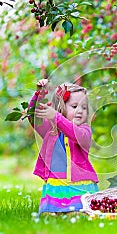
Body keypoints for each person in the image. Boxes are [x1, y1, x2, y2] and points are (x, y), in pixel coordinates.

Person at [28, 79, 99, 214]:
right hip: (56, 184)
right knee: (48, 215)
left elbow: (74, 134)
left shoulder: (85, 131)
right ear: (61, 107)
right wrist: (39, 95)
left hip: (80, 185)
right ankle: (55, 211)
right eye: (74, 106)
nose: (80, 111)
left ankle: (75, 212)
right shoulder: (51, 130)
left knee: (79, 213)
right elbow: (33, 117)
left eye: (84, 107)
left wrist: (56, 117)